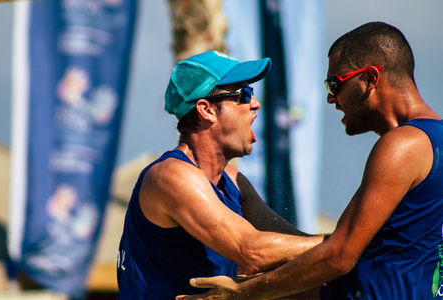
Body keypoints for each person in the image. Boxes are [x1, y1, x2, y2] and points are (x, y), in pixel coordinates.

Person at [175, 21, 443, 300]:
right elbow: (356, 254)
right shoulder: (433, 141)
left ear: (371, 78)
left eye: (336, 83)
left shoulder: (401, 145)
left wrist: (243, 293)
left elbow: (340, 255)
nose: (330, 98)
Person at [116, 50, 324, 299]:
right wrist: (348, 241)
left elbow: (300, 246)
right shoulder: (170, 176)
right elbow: (253, 251)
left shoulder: (234, 181)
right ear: (207, 110)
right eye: (244, 95)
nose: (256, 103)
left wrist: (360, 250)